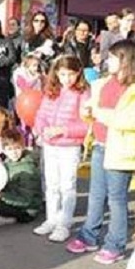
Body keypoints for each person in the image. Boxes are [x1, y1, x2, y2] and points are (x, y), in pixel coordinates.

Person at [67, 40, 135, 264]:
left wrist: (99, 113)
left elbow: (131, 120)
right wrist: (87, 111)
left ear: (126, 60)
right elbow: (94, 109)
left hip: (121, 151)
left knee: (116, 200)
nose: (109, 61)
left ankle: (115, 245)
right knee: (96, 195)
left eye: (114, 57)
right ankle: (88, 235)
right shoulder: (104, 83)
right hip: (99, 144)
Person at [33, 55, 90, 243]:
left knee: (67, 185)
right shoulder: (51, 90)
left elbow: (86, 124)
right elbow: (41, 114)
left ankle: (64, 223)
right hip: (50, 144)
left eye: (71, 74)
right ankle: (51, 219)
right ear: (56, 73)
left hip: (70, 146)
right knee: (51, 184)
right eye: (63, 74)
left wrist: (63, 130)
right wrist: (42, 130)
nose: (67, 79)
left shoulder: (83, 93)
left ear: (78, 73)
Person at [0, 129, 42, 225]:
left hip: (27, 210)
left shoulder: (28, 169)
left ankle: (10, 218)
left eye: (17, 148)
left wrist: (1, 196)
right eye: (10, 149)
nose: (14, 152)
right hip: (14, 198)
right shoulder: (7, 163)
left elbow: (27, 200)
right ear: (4, 150)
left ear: (23, 147)